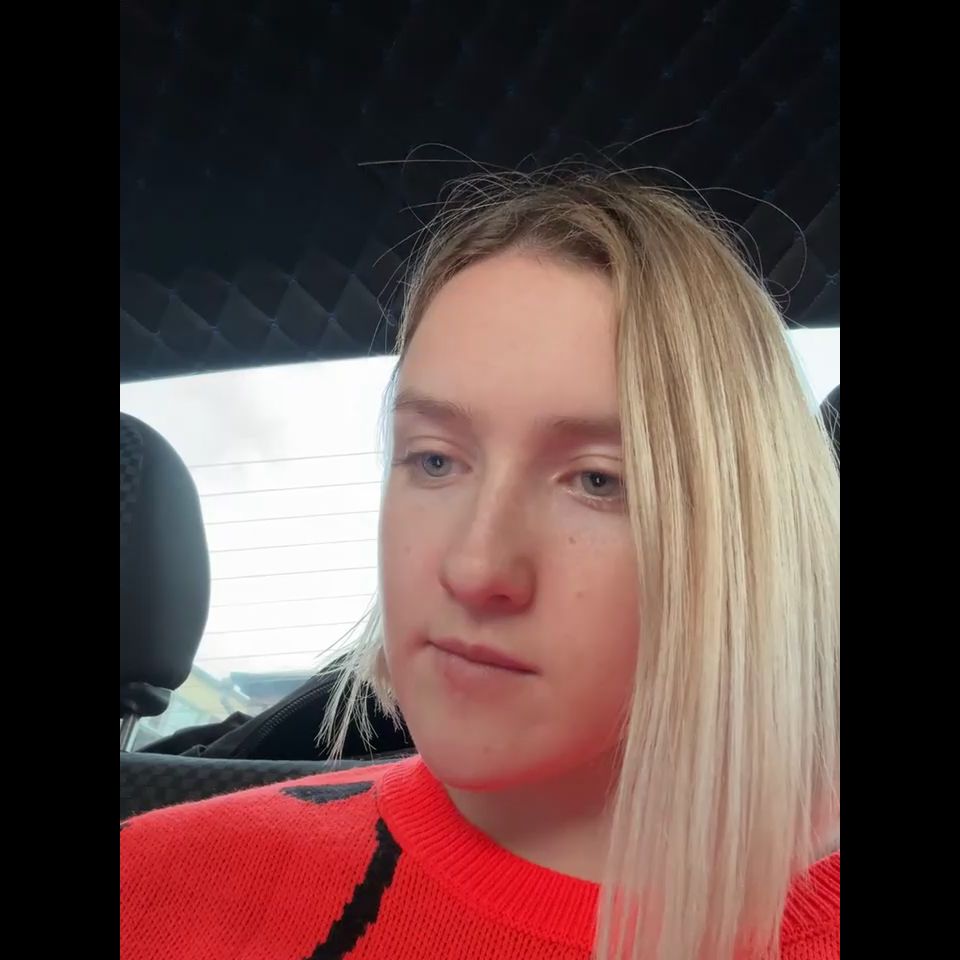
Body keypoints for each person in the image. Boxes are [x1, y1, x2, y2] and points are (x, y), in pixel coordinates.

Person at [120, 171, 840, 960]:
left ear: (743, 538)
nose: (473, 566)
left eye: (598, 480)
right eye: (434, 461)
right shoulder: (151, 887)